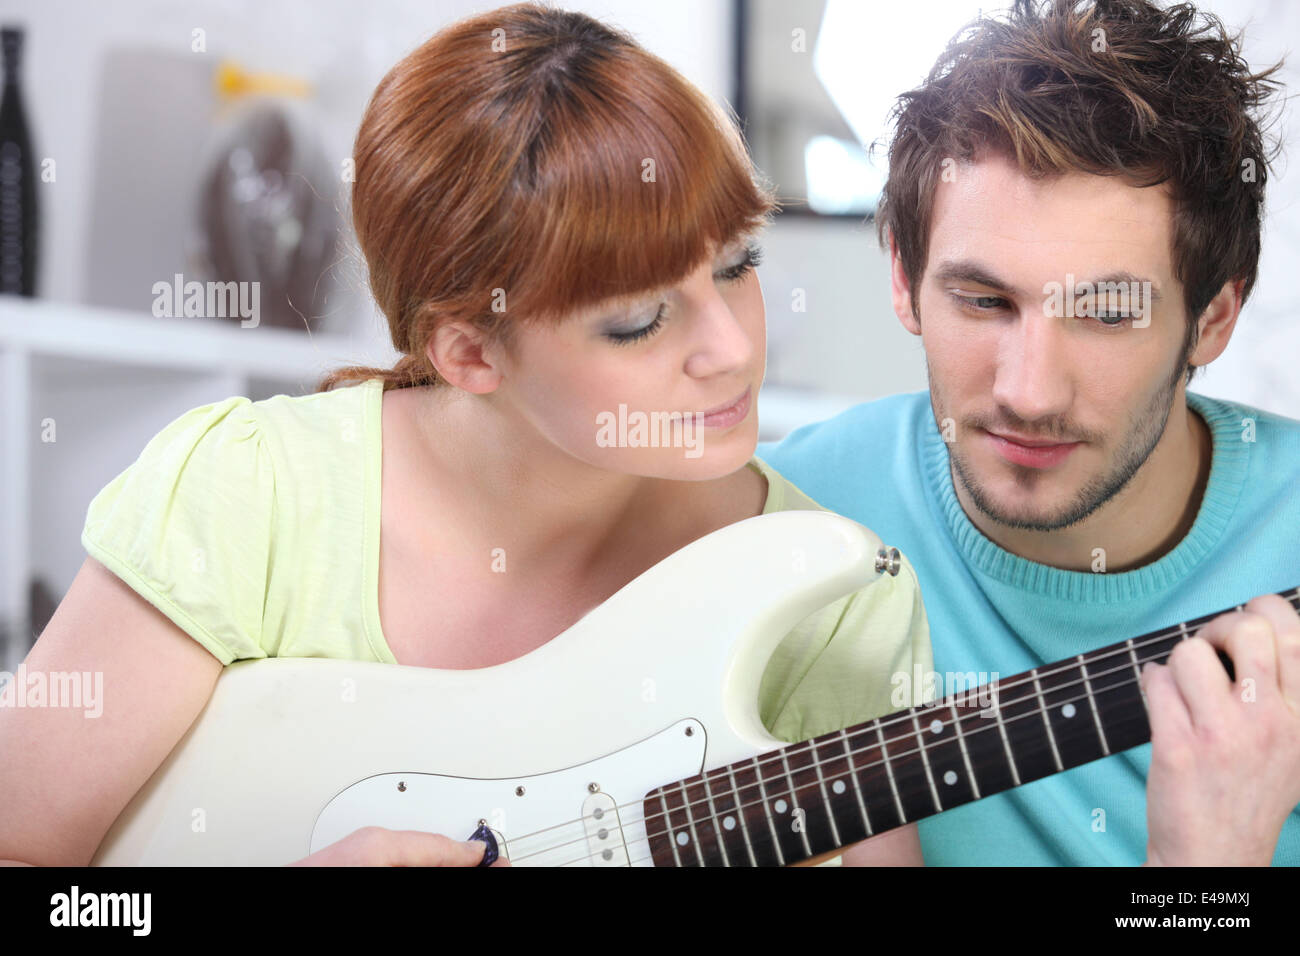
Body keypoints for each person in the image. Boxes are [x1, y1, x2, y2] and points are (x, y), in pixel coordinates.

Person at [0, 3, 931, 868]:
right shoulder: (251, 500)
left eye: (740, 265)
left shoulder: (835, 597)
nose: (731, 349)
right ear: (470, 352)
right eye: (639, 321)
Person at [758, 0, 1300, 865]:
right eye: (983, 301)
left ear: (1215, 317)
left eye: (1108, 311)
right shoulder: (777, 516)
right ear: (903, 276)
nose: (1028, 392)